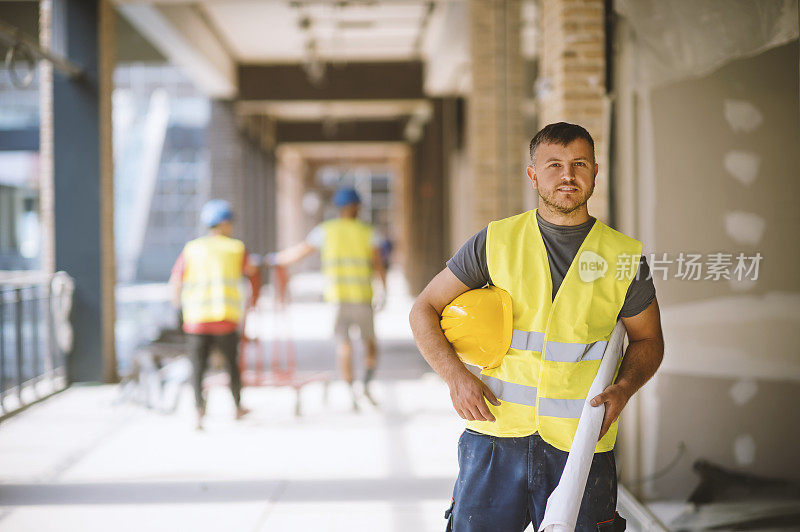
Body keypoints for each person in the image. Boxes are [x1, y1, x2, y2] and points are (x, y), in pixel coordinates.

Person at [409, 122, 665, 531]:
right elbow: (423, 309)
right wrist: (455, 377)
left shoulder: (623, 256)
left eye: (580, 163)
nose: (568, 175)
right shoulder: (496, 241)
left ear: (596, 172)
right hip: (494, 436)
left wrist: (624, 388)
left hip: (580, 443)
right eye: (554, 165)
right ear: (533, 175)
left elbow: (648, 339)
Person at [270, 187, 387, 409]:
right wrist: (384, 289)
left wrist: (277, 260)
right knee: (369, 343)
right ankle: (365, 384)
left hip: (337, 298)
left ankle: (350, 390)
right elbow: (378, 263)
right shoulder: (367, 232)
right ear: (356, 207)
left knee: (344, 344)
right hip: (362, 296)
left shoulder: (326, 230)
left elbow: (302, 251)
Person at [169, 199, 260, 430]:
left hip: (196, 319)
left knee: (198, 367)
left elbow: (176, 282)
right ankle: (237, 407)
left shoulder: (192, 248)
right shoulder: (236, 248)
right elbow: (252, 273)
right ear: (224, 223)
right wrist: (254, 302)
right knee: (231, 365)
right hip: (224, 317)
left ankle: (199, 410)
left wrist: (178, 310)